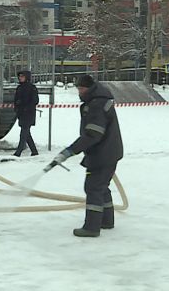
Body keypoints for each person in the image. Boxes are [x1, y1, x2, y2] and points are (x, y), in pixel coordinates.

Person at [49, 75, 124, 238]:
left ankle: (91, 227)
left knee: (93, 188)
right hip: (110, 152)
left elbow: (92, 135)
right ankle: (106, 221)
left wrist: (69, 151)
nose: (79, 92)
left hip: (102, 153)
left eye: (82, 89)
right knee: (102, 186)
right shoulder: (99, 101)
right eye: (78, 89)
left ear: (90, 88)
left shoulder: (96, 105)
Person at [13, 70, 39, 157]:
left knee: (23, 133)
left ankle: (18, 152)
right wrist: (17, 107)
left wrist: (26, 108)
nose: (20, 78)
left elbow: (35, 100)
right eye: (19, 76)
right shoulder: (19, 88)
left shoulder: (32, 87)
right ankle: (34, 151)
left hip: (29, 113)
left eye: (22, 76)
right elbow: (16, 100)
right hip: (21, 114)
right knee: (27, 134)